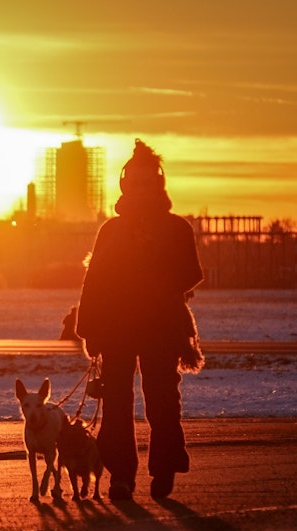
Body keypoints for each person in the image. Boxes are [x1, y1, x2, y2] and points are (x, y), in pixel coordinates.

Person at [74, 139, 204, 501]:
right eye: (135, 181)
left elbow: (192, 273)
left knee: (161, 399)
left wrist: (156, 284)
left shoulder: (177, 228)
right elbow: (94, 281)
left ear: (158, 184)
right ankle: (121, 476)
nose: (141, 188)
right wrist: (88, 329)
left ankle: (164, 466)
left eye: (147, 182)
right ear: (125, 184)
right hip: (116, 328)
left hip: (161, 326)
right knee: (116, 403)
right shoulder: (111, 231)